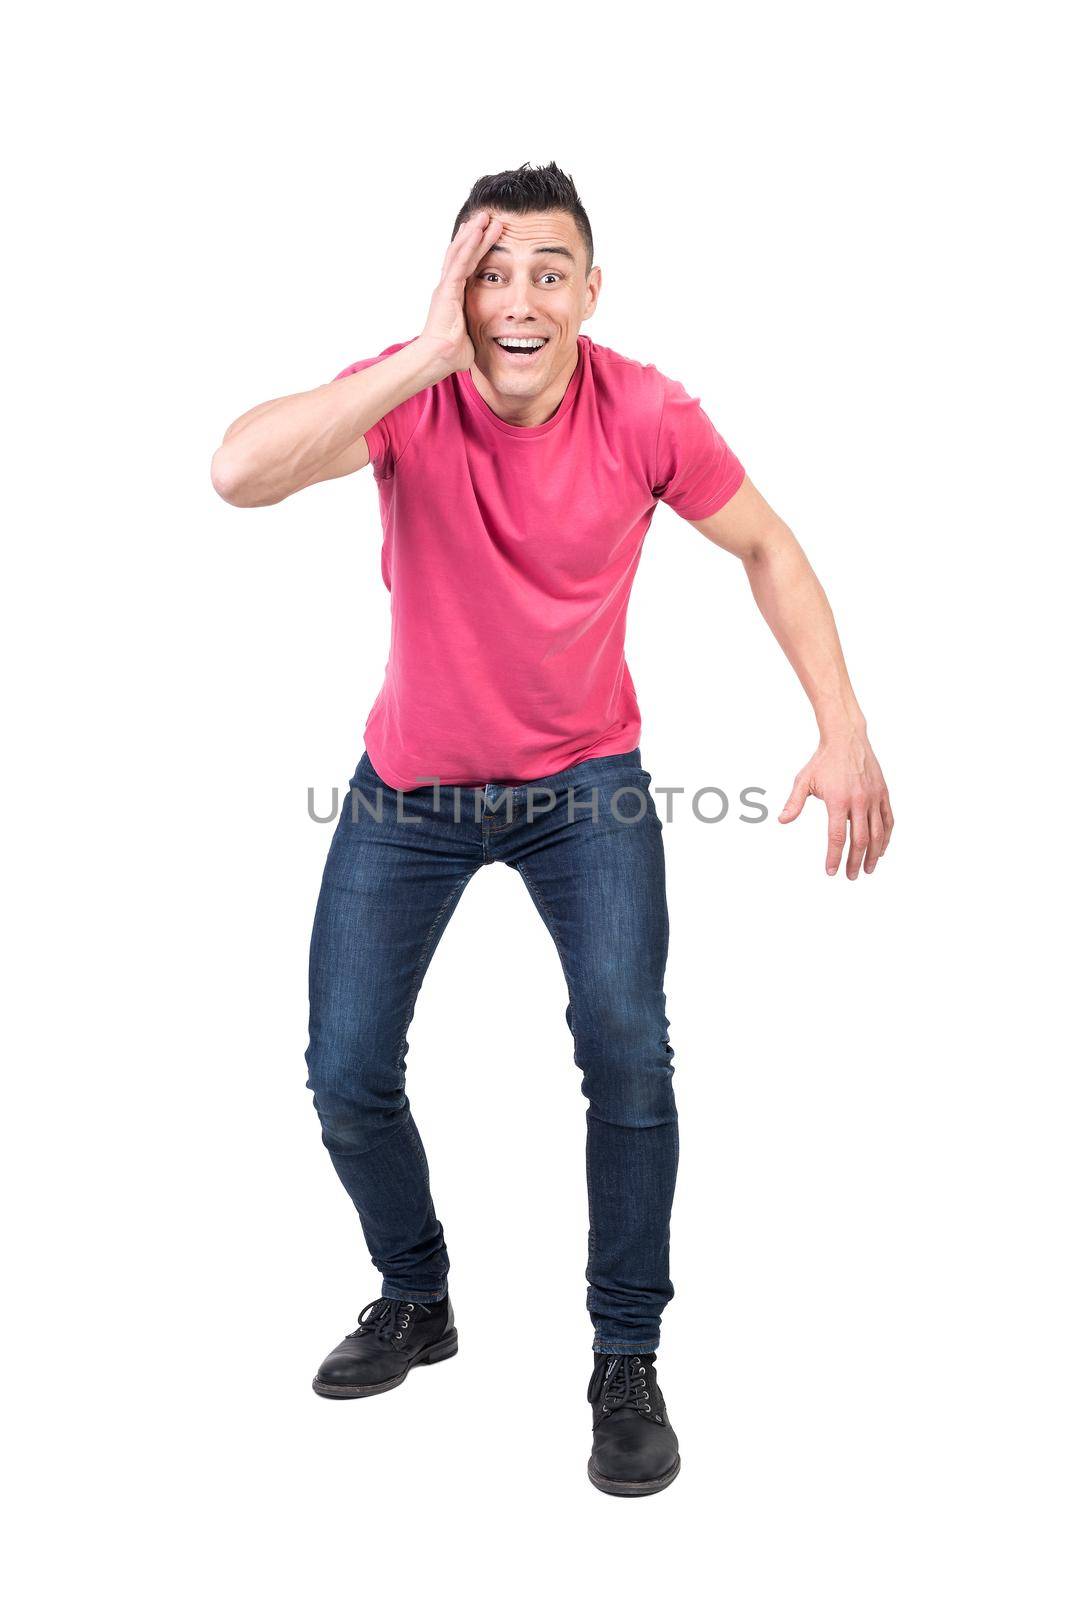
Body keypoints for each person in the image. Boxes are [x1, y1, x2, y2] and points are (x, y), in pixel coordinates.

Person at [211, 160, 893, 1497]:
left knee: (629, 1049)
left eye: (547, 272)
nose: (518, 299)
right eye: (492, 270)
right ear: (459, 287)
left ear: (590, 293)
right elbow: (237, 472)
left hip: (588, 787)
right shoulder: (413, 398)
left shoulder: (645, 408)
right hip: (409, 788)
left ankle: (626, 1356)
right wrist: (419, 352)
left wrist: (843, 722)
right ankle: (419, 1300)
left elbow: (770, 548)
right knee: (345, 1069)